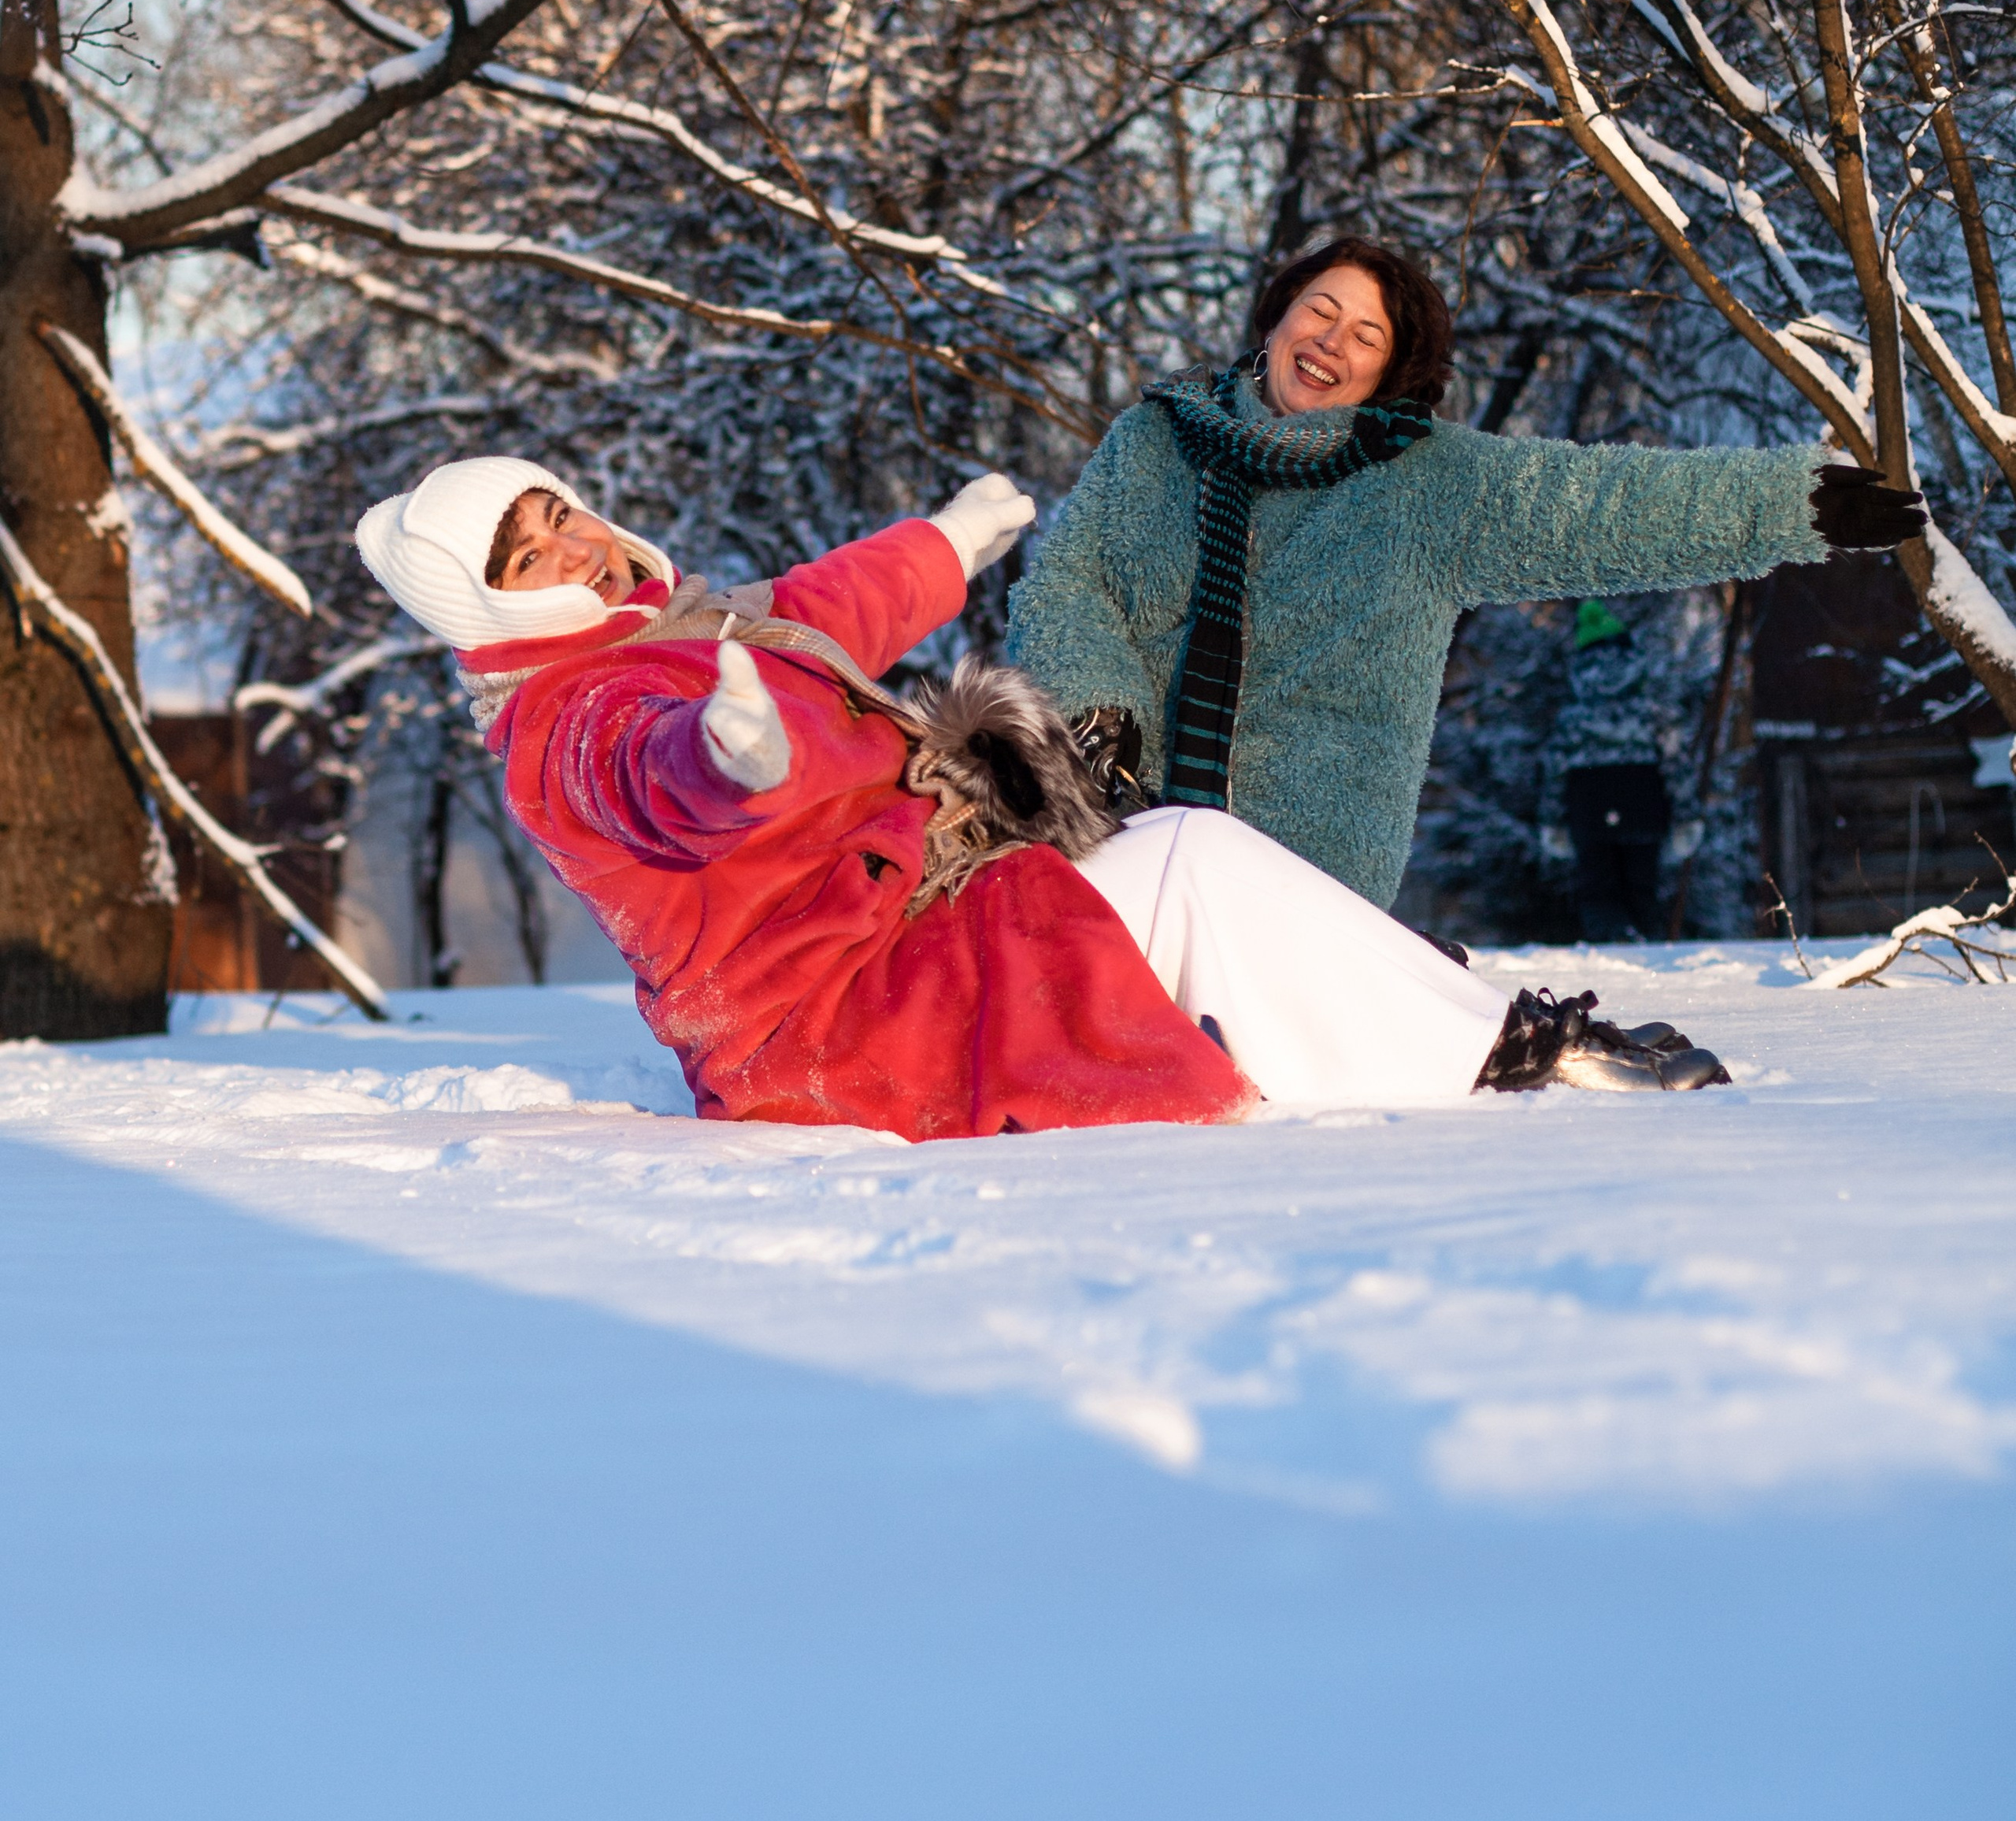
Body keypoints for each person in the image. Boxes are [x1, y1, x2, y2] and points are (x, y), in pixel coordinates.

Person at [353, 454, 1737, 1143]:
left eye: (562, 512)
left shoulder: (691, 629)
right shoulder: (571, 715)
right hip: (842, 1023)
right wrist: (728, 764)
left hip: (909, 945)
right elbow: (650, 783)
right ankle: (1503, 1059)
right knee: (1186, 860)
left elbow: (827, 607)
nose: (575, 548)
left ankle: (1420, 1031)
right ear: (486, 605)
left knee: (1159, 862)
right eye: (527, 555)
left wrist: (947, 542)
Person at [1006, 234, 1926, 910]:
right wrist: (1098, 709)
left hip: (1304, 864)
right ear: (1277, 317)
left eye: (1365, 335)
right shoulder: (1156, 443)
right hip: (1125, 824)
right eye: (1320, 311)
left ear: (1391, 371)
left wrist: (1785, 504)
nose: (1331, 341)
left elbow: (1603, 504)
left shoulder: (1425, 485)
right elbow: (1066, 584)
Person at [1555, 599, 1673, 940]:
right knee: (1642, 886)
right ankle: (1646, 950)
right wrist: (1688, 814)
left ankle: (1610, 949)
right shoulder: (1650, 710)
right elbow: (1675, 760)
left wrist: (1552, 821)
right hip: (1643, 798)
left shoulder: (1573, 717)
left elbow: (1556, 769)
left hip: (1588, 802)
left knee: (1597, 888)